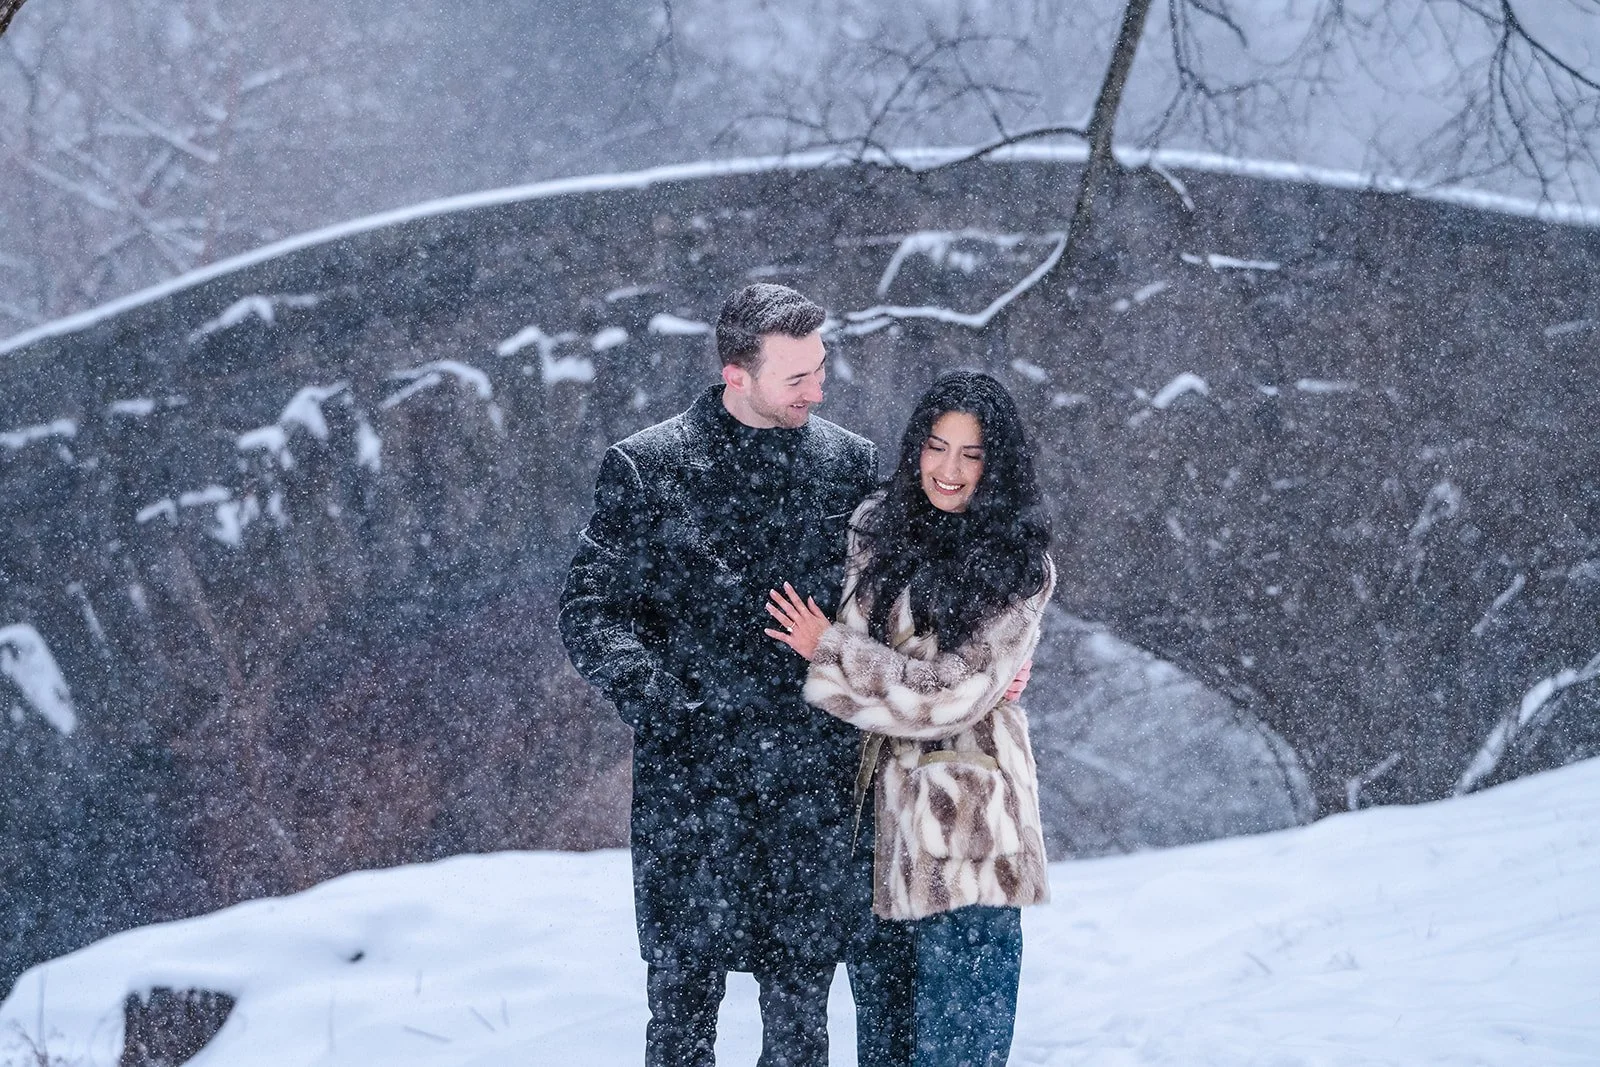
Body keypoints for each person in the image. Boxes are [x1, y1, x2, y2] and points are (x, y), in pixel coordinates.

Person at [558, 283, 880, 1067]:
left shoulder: (850, 464)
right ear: (737, 373)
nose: (818, 388)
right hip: (691, 791)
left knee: (802, 1030)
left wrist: (981, 651)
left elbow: (897, 602)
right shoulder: (648, 466)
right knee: (679, 1026)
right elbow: (590, 609)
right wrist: (665, 702)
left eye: (820, 369)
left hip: (812, 789)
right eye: (796, 376)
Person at [764, 370, 1055, 1067]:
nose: (947, 469)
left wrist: (830, 653)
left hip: (969, 836)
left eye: (970, 453)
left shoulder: (1021, 564)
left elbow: (948, 696)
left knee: (959, 1055)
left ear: (996, 464)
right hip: (879, 838)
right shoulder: (876, 527)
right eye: (936, 445)